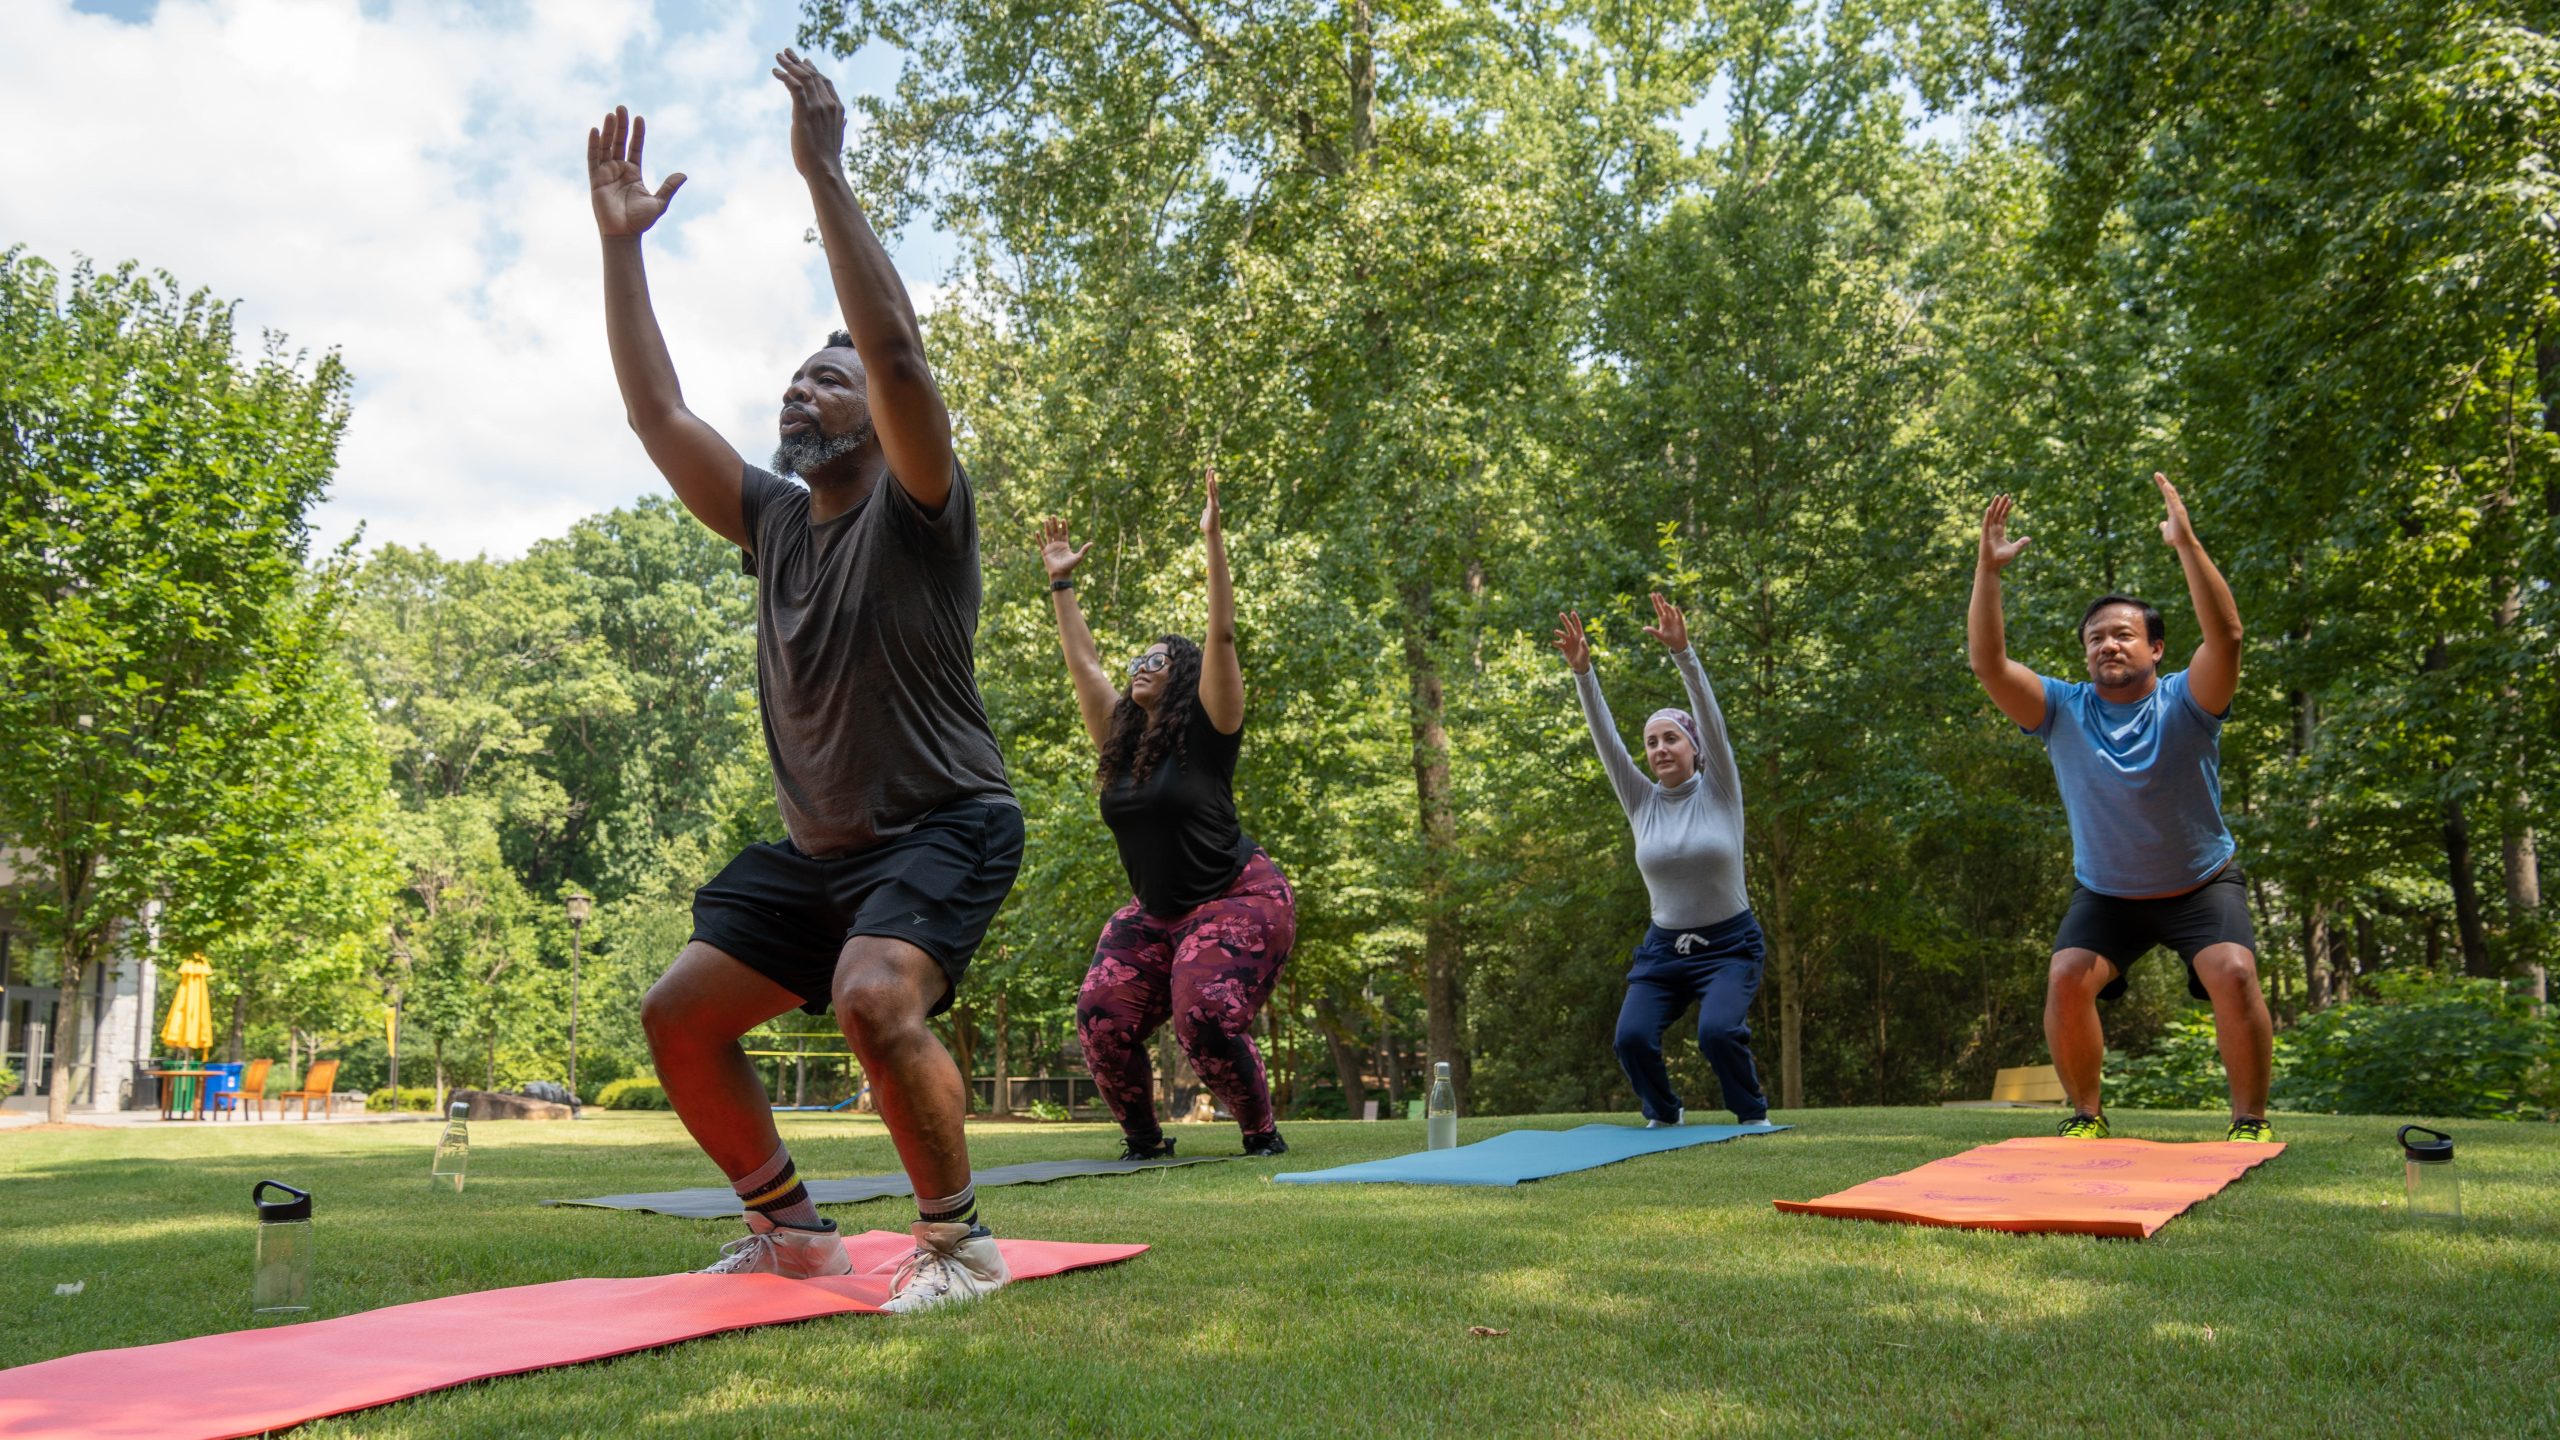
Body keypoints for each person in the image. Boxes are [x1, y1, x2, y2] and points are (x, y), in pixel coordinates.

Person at [591, 51, 1022, 1309]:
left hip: (947, 824)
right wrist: (623, 247)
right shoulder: (774, 523)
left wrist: (822, 171)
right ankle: (792, 1231)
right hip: (824, 850)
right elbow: (655, 410)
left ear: (876, 418)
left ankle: (959, 1247)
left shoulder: (921, 507)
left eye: (825, 379)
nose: (802, 386)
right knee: (678, 1015)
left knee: (873, 996)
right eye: (794, 375)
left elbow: (896, 354)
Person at [1966, 475, 2274, 1143]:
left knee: (2235, 970)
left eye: (2124, 635)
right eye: (2095, 638)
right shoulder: (2062, 711)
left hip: (2200, 883)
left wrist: (2186, 544)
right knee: (2067, 974)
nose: (2108, 645)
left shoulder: (2187, 700)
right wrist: (1987, 573)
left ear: (2155, 649)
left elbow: (2228, 638)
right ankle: (2086, 1115)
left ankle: (2248, 1120)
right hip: (2108, 891)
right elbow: (1988, 664)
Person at [1041, 473, 1298, 1160]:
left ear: (1180, 677)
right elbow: (1084, 663)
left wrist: (1213, 540)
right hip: (1156, 912)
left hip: (1238, 896)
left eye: (1157, 661)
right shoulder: (1120, 741)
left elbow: (1220, 633)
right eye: (1140, 658)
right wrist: (1061, 585)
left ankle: (1259, 1131)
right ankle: (1145, 1143)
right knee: (1101, 1016)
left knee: (1205, 1012)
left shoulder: (1210, 731)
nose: (1141, 666)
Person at [1555, 595, 1773, 1130]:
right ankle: (1664, 1111)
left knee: (1717, 1033)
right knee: (1629, 1037)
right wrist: (1584, 674)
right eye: (1651, 742)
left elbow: (1710, 718)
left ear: (1695, 748)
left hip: (1730, 947)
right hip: (1663, 951)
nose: (1658, 749)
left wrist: (1685, 655)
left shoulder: (1721, 790)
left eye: (1670, 737)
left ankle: (1751, 1116)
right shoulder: (1641, 801)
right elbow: (1606, 742)